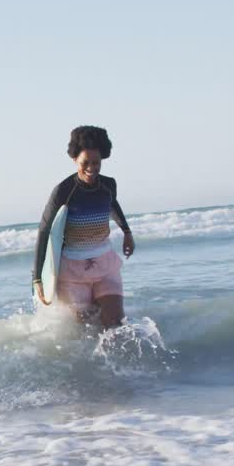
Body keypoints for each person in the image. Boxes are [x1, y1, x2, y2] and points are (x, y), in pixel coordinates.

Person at [32, 125, 135, 328]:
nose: (91, 168)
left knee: (115, 324)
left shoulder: (108, 185)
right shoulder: (63, 191)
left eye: (96, 163)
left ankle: (122, 360)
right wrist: (37, 278)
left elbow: (111, 204)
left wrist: (127, 231)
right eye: (85, 162)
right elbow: (45, 231)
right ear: (74, 160)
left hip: (105, 265)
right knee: (87, 332)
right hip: (72, 273)